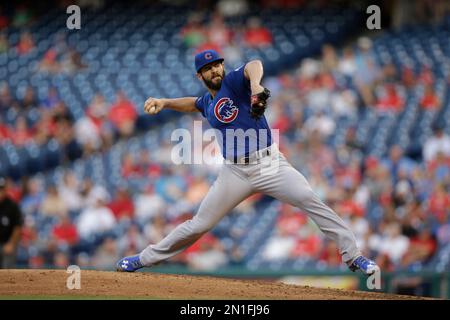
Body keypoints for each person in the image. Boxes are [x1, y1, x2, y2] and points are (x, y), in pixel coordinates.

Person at [116, 50, 379, 275]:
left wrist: (255, 87)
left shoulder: (234, 82)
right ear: (200, 76)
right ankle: (142, 259)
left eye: (217, 64)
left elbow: (254, 64)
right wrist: (165, 102)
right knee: (199, 224)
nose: (215, 69)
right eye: (208, 68)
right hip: (235, 172)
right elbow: (193, 104)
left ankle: (353, 255)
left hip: (269, 164)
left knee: (310, 199)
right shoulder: (208, 101)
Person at [0, 177, 23, 268]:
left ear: (5, 190)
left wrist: (11, 243)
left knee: (7, 272)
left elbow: (17, 227)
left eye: (1, 189)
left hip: (8, 243)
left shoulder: (12, 206)